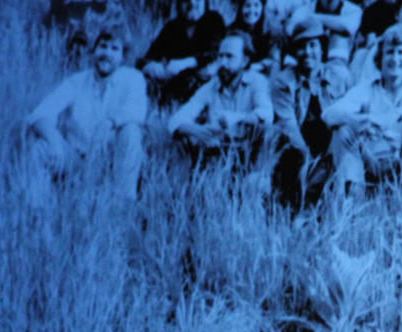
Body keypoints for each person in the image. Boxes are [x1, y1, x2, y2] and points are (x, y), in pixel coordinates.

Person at [26, 24, 146, 200]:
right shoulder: (76, 82)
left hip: (113, 164)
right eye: (102, 46)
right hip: (78, 162)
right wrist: (55, 143)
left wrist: (110, 122)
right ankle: (37, 212)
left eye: (114, 48)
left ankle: (122, 206)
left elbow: (136, 112)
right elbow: (40, 114)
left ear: (122, 57)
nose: (107, 53)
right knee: (42, 147)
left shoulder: (133, 78)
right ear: (94, 51)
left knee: (131, 131)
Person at [322, 24, 402, 190]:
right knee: (343, 130)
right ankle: (352, 195)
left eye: (401, 52)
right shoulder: (368, 88)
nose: (395, 59)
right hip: (371, 161)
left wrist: (395, 114)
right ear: (380, 58)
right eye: (389, 52)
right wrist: (357, 120)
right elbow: (329, 114)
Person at [168, 30, 274, 160]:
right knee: (183, 137)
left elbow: (267, 114)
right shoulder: (211, 86)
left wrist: (237, 118)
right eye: (220, 56)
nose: (223, 62)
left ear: (245, 61)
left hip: (247, 154)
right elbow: (175, 120)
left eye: (230, 56)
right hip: (217, 153)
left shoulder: (257, 81)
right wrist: (196, 130)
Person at [271, 14, 337, 207]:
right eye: (301, 46)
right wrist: (311, 166)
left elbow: (345, 120)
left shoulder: (338, 77)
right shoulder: (284, 81)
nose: (307, 52)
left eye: (312, 45)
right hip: (297, 154)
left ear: (322, 48)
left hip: (331, 153)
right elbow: (289, 127)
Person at [139, 0, 226, 106]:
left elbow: (216, 52)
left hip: (204, 86)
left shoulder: (214, 21)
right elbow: (148, 58)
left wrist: (188, 62)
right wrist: (153, 67)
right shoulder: (172, 27)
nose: (192, 4)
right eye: (185, 1)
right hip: (174, 89)